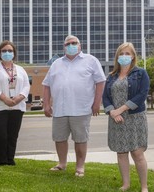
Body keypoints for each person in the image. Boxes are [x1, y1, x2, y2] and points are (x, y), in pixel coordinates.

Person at [42, 35, 106, 177]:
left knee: (80, 139)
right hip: (60, 109)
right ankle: (62, 164)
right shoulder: (56, 63)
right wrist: (46, 104)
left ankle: (80, 167)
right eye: (68, 44)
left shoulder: (91, 60)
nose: (71, 45)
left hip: (81, 108)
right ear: (64, 47)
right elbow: (46, 85)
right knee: (59, 138)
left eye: (74, 43)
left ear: (80, 45)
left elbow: (100, 82)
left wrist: (97, 102)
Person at [102, 42, 150, 192]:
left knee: (137, 153)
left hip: (135, 118)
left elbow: (141, 95)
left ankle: (144, 187)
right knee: (121, 152)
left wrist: (120, 110)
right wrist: (112, 112)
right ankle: (126, 184)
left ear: (133, 56)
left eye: (127, 53)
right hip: (116, 119)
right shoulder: (111, 76)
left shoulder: (141, 73)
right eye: (121, 54)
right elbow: (105, 97)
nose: (124, 56)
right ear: (117, 57)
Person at [0, 40, 30, 166]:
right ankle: (0, 160)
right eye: (4, 51)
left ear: (14, 54)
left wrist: (18, 98)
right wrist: (5, 99)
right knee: (0, 135)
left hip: (17, 106)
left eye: (10, 51)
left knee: (12, 135)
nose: (7, 53)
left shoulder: (21, 70)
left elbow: (26, 86)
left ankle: (10, 159)